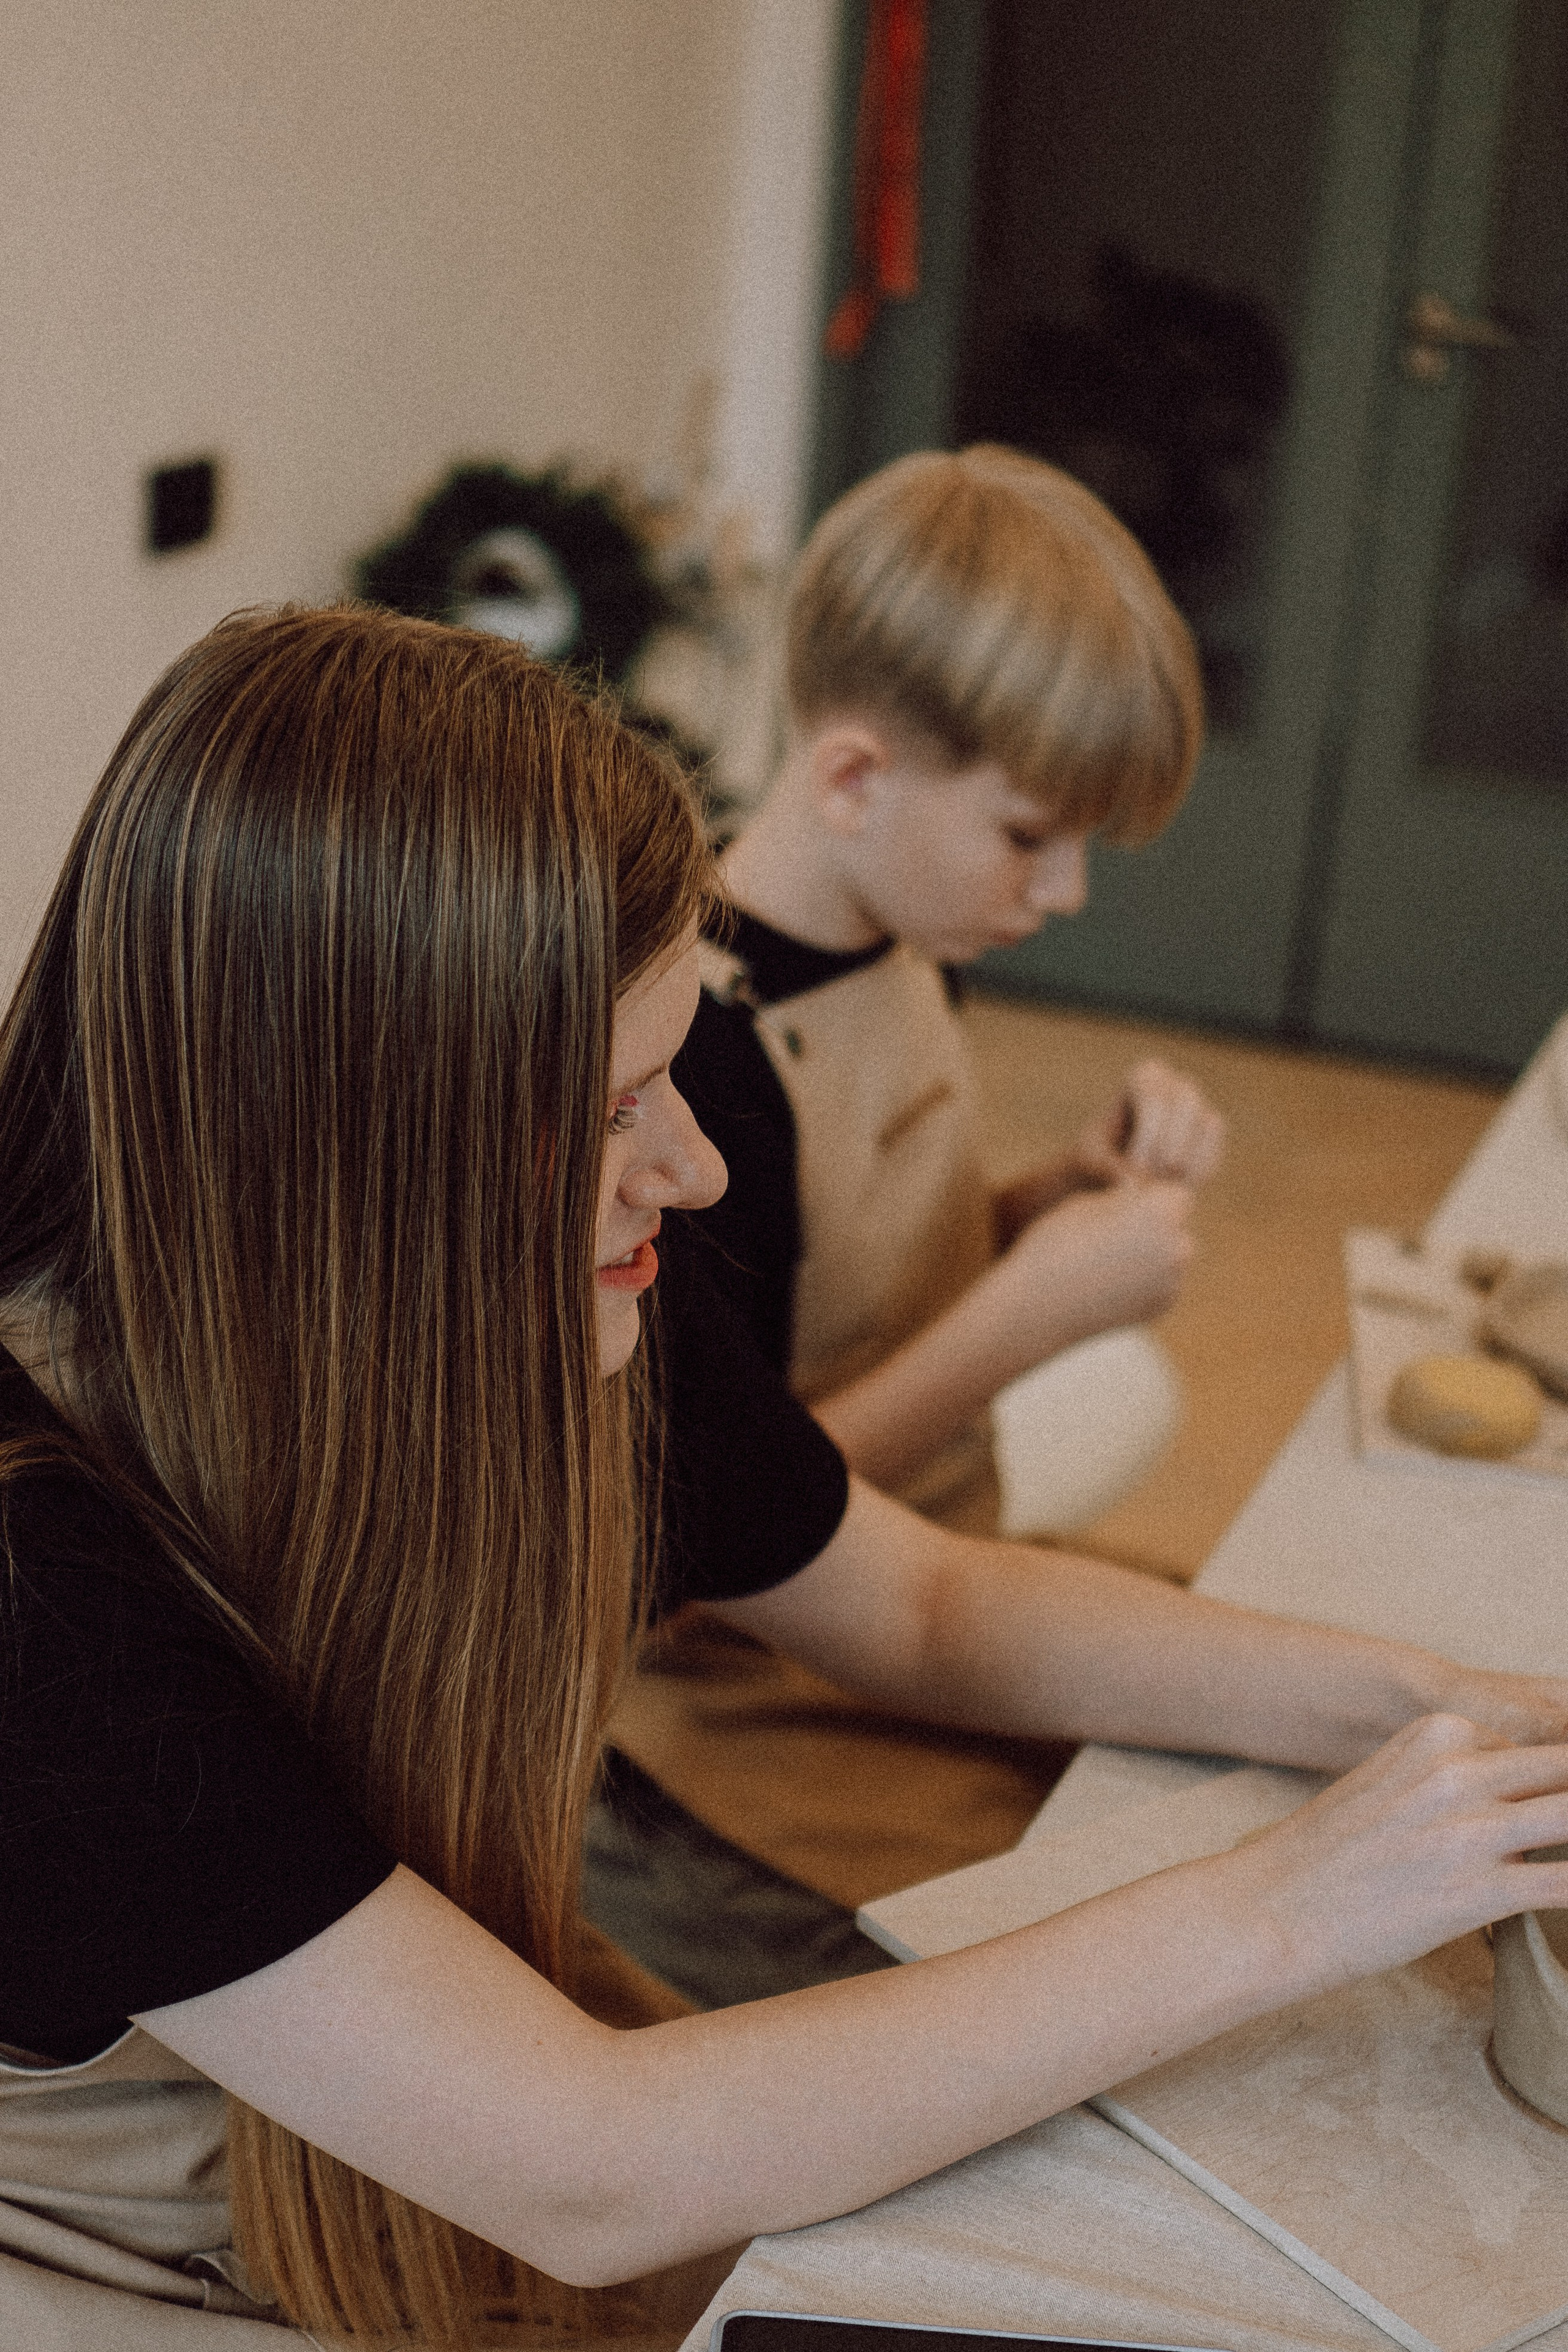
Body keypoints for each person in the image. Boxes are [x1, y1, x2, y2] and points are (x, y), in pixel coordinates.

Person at [2, 605, 1567, 2352]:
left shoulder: (525, 1292)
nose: (690, 1166)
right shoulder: (40, 1594)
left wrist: (1445, 1713)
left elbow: (919, 1599)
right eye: (617, 1106)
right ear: (359, 1151)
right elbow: (589, 2163)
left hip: (412, 2150)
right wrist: (1302, 1900)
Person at [680, 445, 1225, 1532]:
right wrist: (1022, 1320)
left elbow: (856, 1286)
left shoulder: (904, 939)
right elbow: (706, 1554)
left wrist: (1055, 1199)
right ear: (852, 781)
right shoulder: (690, 1055)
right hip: (771, 1625)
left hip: (924, 1508)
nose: (1067, 890)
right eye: (1029, 836)